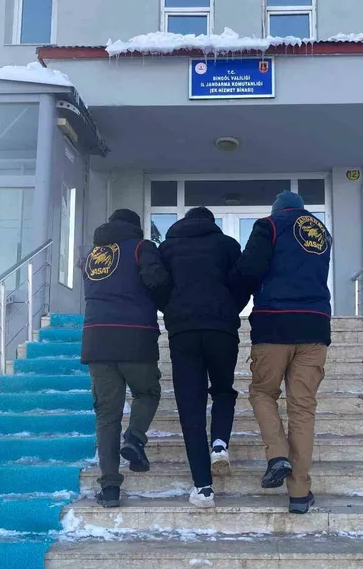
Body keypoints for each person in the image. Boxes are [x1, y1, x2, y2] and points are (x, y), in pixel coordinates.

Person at [229, 191, 331, 514]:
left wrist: (230, 300)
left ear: (277, 210)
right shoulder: (322, 234)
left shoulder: (269, 226)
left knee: (263, 393)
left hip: (274, 325)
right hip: (315, 328)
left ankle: (277, 455)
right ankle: (299, 494)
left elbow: (249, 269)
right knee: (302, 409)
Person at [81, 208, 170, 508]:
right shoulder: (141, 247)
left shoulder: (93, 255)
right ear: (136, 227)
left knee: (107, 416)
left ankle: (109, 488)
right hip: (135, 338)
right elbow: (156, 280)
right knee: (147, 392)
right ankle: (134, 438)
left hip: (97, 341)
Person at [159, 206, 246, 508]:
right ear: (211, 223)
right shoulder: (227, 245)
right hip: (222, 330)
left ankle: (203, 487)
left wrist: (171, 309)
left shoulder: (167, 248)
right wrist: (229, 309)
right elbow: (242, 281)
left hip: (183, 332)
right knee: (223, 390)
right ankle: (219, 444)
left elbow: (157, 283)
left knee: (190, 407)